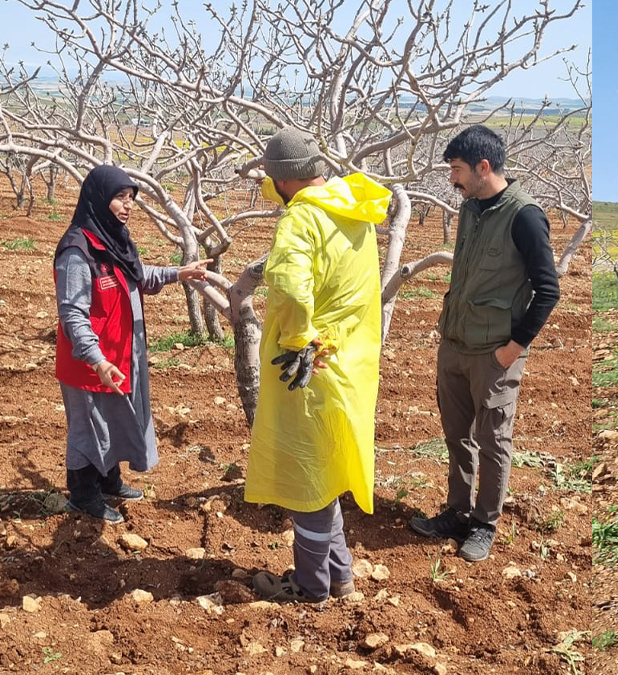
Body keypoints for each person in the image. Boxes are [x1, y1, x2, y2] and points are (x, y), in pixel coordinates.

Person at [245, 128, 391, 603]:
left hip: (308, 366)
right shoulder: (353, 209)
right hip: (347, 363)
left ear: (284, 178)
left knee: (306, 479)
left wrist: (296, 339)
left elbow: (289, 285)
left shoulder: (302, 220)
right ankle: (340, 576)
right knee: (326, 474)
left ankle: (311, 586)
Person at [409, 124, 561, 562]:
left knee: (493, 442)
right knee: (457, 436)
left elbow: (548, 291)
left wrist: (513, 349)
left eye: (457, 169)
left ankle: (484, 524)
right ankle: (457, 512)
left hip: (494, 353)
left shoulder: (525, 215)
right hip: (455, 344)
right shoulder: (471, 207)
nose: (452, 179)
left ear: (483, 167)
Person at [54, 166, 210, 524]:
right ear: (98, 199)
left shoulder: (113, 240)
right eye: (120, 197)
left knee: (115, 420)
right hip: (90, 363)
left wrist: (179, 273)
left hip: (118, 354)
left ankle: (109, 482)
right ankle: (83, 495)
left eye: (131, 198)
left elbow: (137, 276)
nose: (128, 205)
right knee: (89, 428)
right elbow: (72, 313)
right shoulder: (77, 250)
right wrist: (96, 360)